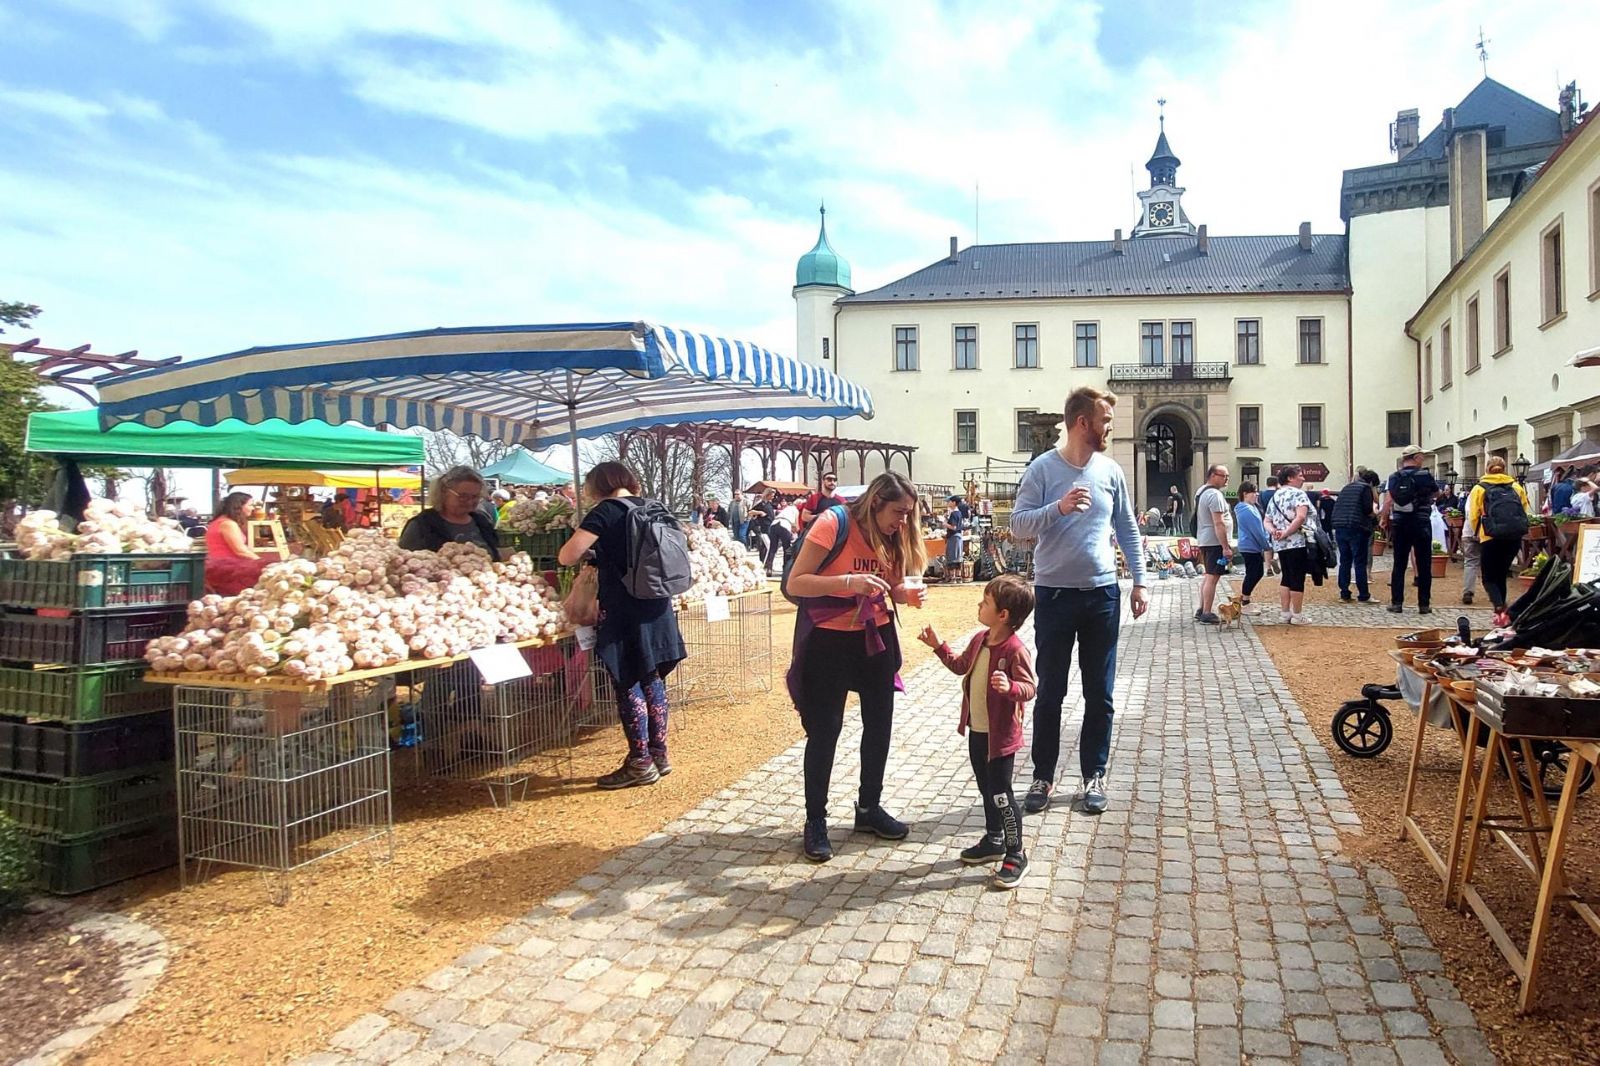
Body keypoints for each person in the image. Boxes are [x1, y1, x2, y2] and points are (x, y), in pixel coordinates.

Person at [1010, 386, 1148, 817]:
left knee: (1100, 694)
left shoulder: (1110, 470)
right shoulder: (1042, 470)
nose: (1110, 427)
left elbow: (1126, 526)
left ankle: (1094, 775)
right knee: (1051, 690)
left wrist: (1140, 582)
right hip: (1053, 595)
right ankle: (1043, 776)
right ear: (1083, 422)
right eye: (1105, 420)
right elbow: (1017, 526)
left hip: (1102, 595)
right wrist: (1059, 508)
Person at [784, 471, 928, 862]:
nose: (903, 521)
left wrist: (906, 592)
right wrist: (848, 581)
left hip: (875, 638)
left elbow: (890, 586)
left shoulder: (894, 534)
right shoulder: (834, 522)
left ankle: (869, 809)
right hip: (828, 642)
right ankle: (816, 820)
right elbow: (796, 583)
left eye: (907, 514)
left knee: (880, 725)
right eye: (898, 512)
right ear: (877, 500)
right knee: (825, 730)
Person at [557, 461, 687, 789]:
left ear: (598, 485)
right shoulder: (655, 506)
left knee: (626, 679)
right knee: (652, 678)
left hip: (623, 607)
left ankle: (639, 762)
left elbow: (567, 556)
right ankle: (658, 754)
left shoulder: (606, 511)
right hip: (658, 604)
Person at [919, 574, 1038, 889]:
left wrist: (1010, 686)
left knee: (1001, 794)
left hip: (1001, 738)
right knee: (987, 790)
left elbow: (1030, 687)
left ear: (1003, 615)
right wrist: (938, 646)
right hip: (978, 732)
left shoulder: (1014, 650)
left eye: (985, 602)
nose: (979, 605)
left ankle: (1016, 853)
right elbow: (960, 666)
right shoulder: (980, 640)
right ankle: (994, 838)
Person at [1465, 456, 1532, 626]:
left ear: (1487, 469)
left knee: (1488, 577)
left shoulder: (1479, 488)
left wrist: (1477, 532)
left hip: (1490, 536)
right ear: (1504, 468)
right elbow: (1524, 508)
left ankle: (1499, 607)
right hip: (1513, 536)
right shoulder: (1516, 486)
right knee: (1502, 573)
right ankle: (1503, 611)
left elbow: (1473, 515)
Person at [1379, 445, 1441, 614]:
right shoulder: (1425, 475)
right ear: (1416, 458)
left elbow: (1388, 501)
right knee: (1424, 563)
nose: (1423, 459)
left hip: (1400, 523)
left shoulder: (1394, 477)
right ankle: (1424, 604)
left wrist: (1384, 519)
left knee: (1399, 563)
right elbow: (1437, 494)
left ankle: (1397, 603)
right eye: (1422, 456)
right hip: (1421, 522)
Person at [399, 467, 500, 554]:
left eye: (475, 496)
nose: (470, 502)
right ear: (444, 492)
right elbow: (405, 561)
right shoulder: (422, 525)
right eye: (463, 496)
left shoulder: (482, 522)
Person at [1264, 465, 1313, 625]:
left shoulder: (1275, 496)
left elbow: (1267, 520)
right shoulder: (1299, 494)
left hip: (1280, 544)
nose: (1303, 478)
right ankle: (1297, 615)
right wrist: (1286, 532)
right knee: (1297, 578)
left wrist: (1274, 532)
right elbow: (1300, 518)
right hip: (1297, 542)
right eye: (1300, 475)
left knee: (1286, 577)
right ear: (1290, 478)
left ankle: (1285, 613)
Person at [204, 492, 278, 595]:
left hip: (218, 567)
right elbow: (241, 551)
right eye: (250, 505)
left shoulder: (219, 522)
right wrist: (261, 562)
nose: (253, 508)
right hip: (228, 570)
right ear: (239, 506)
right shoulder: (228, 524)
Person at [1193, 463, 1232, 624]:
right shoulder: (1214, 495)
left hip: (1205, 539)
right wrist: (1226, 547)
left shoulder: (1201, 491)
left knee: (1209, 575)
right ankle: (1207, 613)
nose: (1227, 480)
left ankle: (1202, 609)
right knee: (1213, 577)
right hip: (1215, 542)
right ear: (1213, 475)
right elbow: (1219, 523)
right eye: (1224, 476)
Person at [1331, 469, 1379, 603]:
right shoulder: (1365, 488)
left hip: (1340, 526)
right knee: (1359, 561)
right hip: (1357, 527)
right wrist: (1375, 511)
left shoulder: (1347, 487)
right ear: (1371, 482)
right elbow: (1367, 509)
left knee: (1345, 561)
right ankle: (1364, 594)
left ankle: (1344, 593)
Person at [1234, 481, 1269, 613]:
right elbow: (1257, 531)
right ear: (1245, 494)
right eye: (1254, 492)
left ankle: (1245, 599)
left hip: (1250, 545)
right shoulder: (1247, 510)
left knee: (1254, 572)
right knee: (1254, 573)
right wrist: (1267, 546)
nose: (1257, 494)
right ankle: (1245, 601)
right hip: (1250, 545)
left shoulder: (1249, 508)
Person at [765, 495, 799, 575]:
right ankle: (785, 569)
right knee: (786, 548)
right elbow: (796, 526)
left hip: (774, 524)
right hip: (784, 525)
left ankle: (769, 568)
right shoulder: (796, 510)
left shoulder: (786, 509)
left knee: (773, 548)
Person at [1259, 475, 1281, 575]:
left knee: (1267, 546)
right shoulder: (1279, 494)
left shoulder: (1261, 494)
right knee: (1279, 542)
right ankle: (1276, 558)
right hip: (1277, 522)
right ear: (1276, 484)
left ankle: (1268, 568)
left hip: (1265, 521)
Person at [944, 495, 966, 573]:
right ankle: (958, 576)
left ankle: (953, 576)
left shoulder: (954, 514)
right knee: (957, 557)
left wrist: (945, 524)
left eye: (949, 501)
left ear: (954, 503)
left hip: (953, 537)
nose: (948, 503)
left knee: (953, 557)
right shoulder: (959, 513)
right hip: (958, 536)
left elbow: (954, 527)